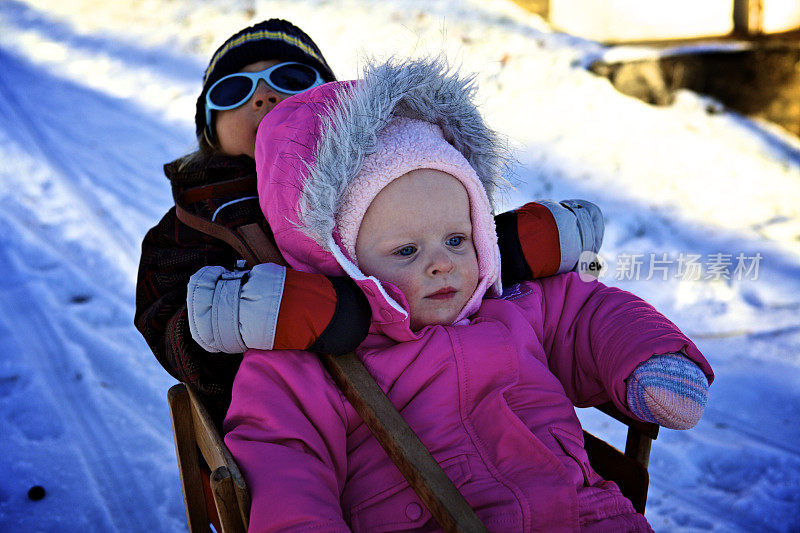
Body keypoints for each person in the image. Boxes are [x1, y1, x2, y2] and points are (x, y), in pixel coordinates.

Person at [207, 57, 714, 532]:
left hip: (586, 512)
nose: (442, 262)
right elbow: (285, 464)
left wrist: (649, 357)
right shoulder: (308, 365)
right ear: (343, 260)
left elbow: (589, 313)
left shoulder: (509, 305)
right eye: (406, 250)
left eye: (457, 239)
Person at [134, 20, 606, 422]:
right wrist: (248, 315)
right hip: (292, 421)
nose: (264, 96)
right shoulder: (188, 227)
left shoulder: (373, 174)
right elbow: (167, 324)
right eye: (235, 89)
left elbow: (434, 234)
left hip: (429, 385)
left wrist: (501, 245)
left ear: (330, 103)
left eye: (292, 78)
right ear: (208, 129)